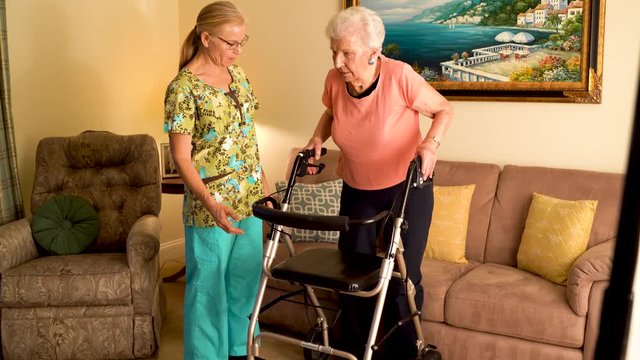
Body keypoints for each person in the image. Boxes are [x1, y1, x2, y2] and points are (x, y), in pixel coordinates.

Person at [304, 6, 453, 360]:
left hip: (405, 190)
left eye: (347, 53)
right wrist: (316, 139)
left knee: (402, 277)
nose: (339, 61)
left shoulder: (401, 76)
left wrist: (430, 144)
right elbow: (330, 114)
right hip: (357, 188)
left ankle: (403, 351)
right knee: (353, 272)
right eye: (334, 51)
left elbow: (444, 109)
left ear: (374, 52)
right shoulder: (334, 80)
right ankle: (356, 349)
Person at [162, 2, 267, 359]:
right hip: (210, 207)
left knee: (245, 284)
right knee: (208, 291)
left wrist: (266, 193)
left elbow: (248, 139)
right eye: (230, 43)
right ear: (206, 37)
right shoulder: (182, 88)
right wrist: (210, 203)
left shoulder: (239, 76)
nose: (238, 51)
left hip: (249, 201)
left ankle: (242, 353)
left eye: (242, 42)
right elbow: (180, 157)